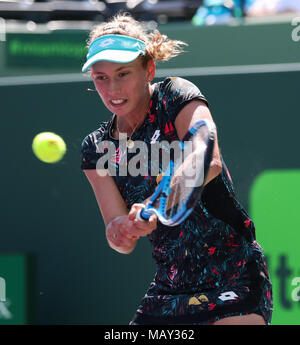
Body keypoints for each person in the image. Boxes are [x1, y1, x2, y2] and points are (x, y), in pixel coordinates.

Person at [80, 13, 273, 325]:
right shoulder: (97, 148)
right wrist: (125, 228)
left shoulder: (175, 96)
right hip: (169, 290)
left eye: (123, 73)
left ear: (149, 70)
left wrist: (161, 200)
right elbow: (119, 237)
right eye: (101, 77)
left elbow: (208, 158)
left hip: (234, 275)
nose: (112, 88)